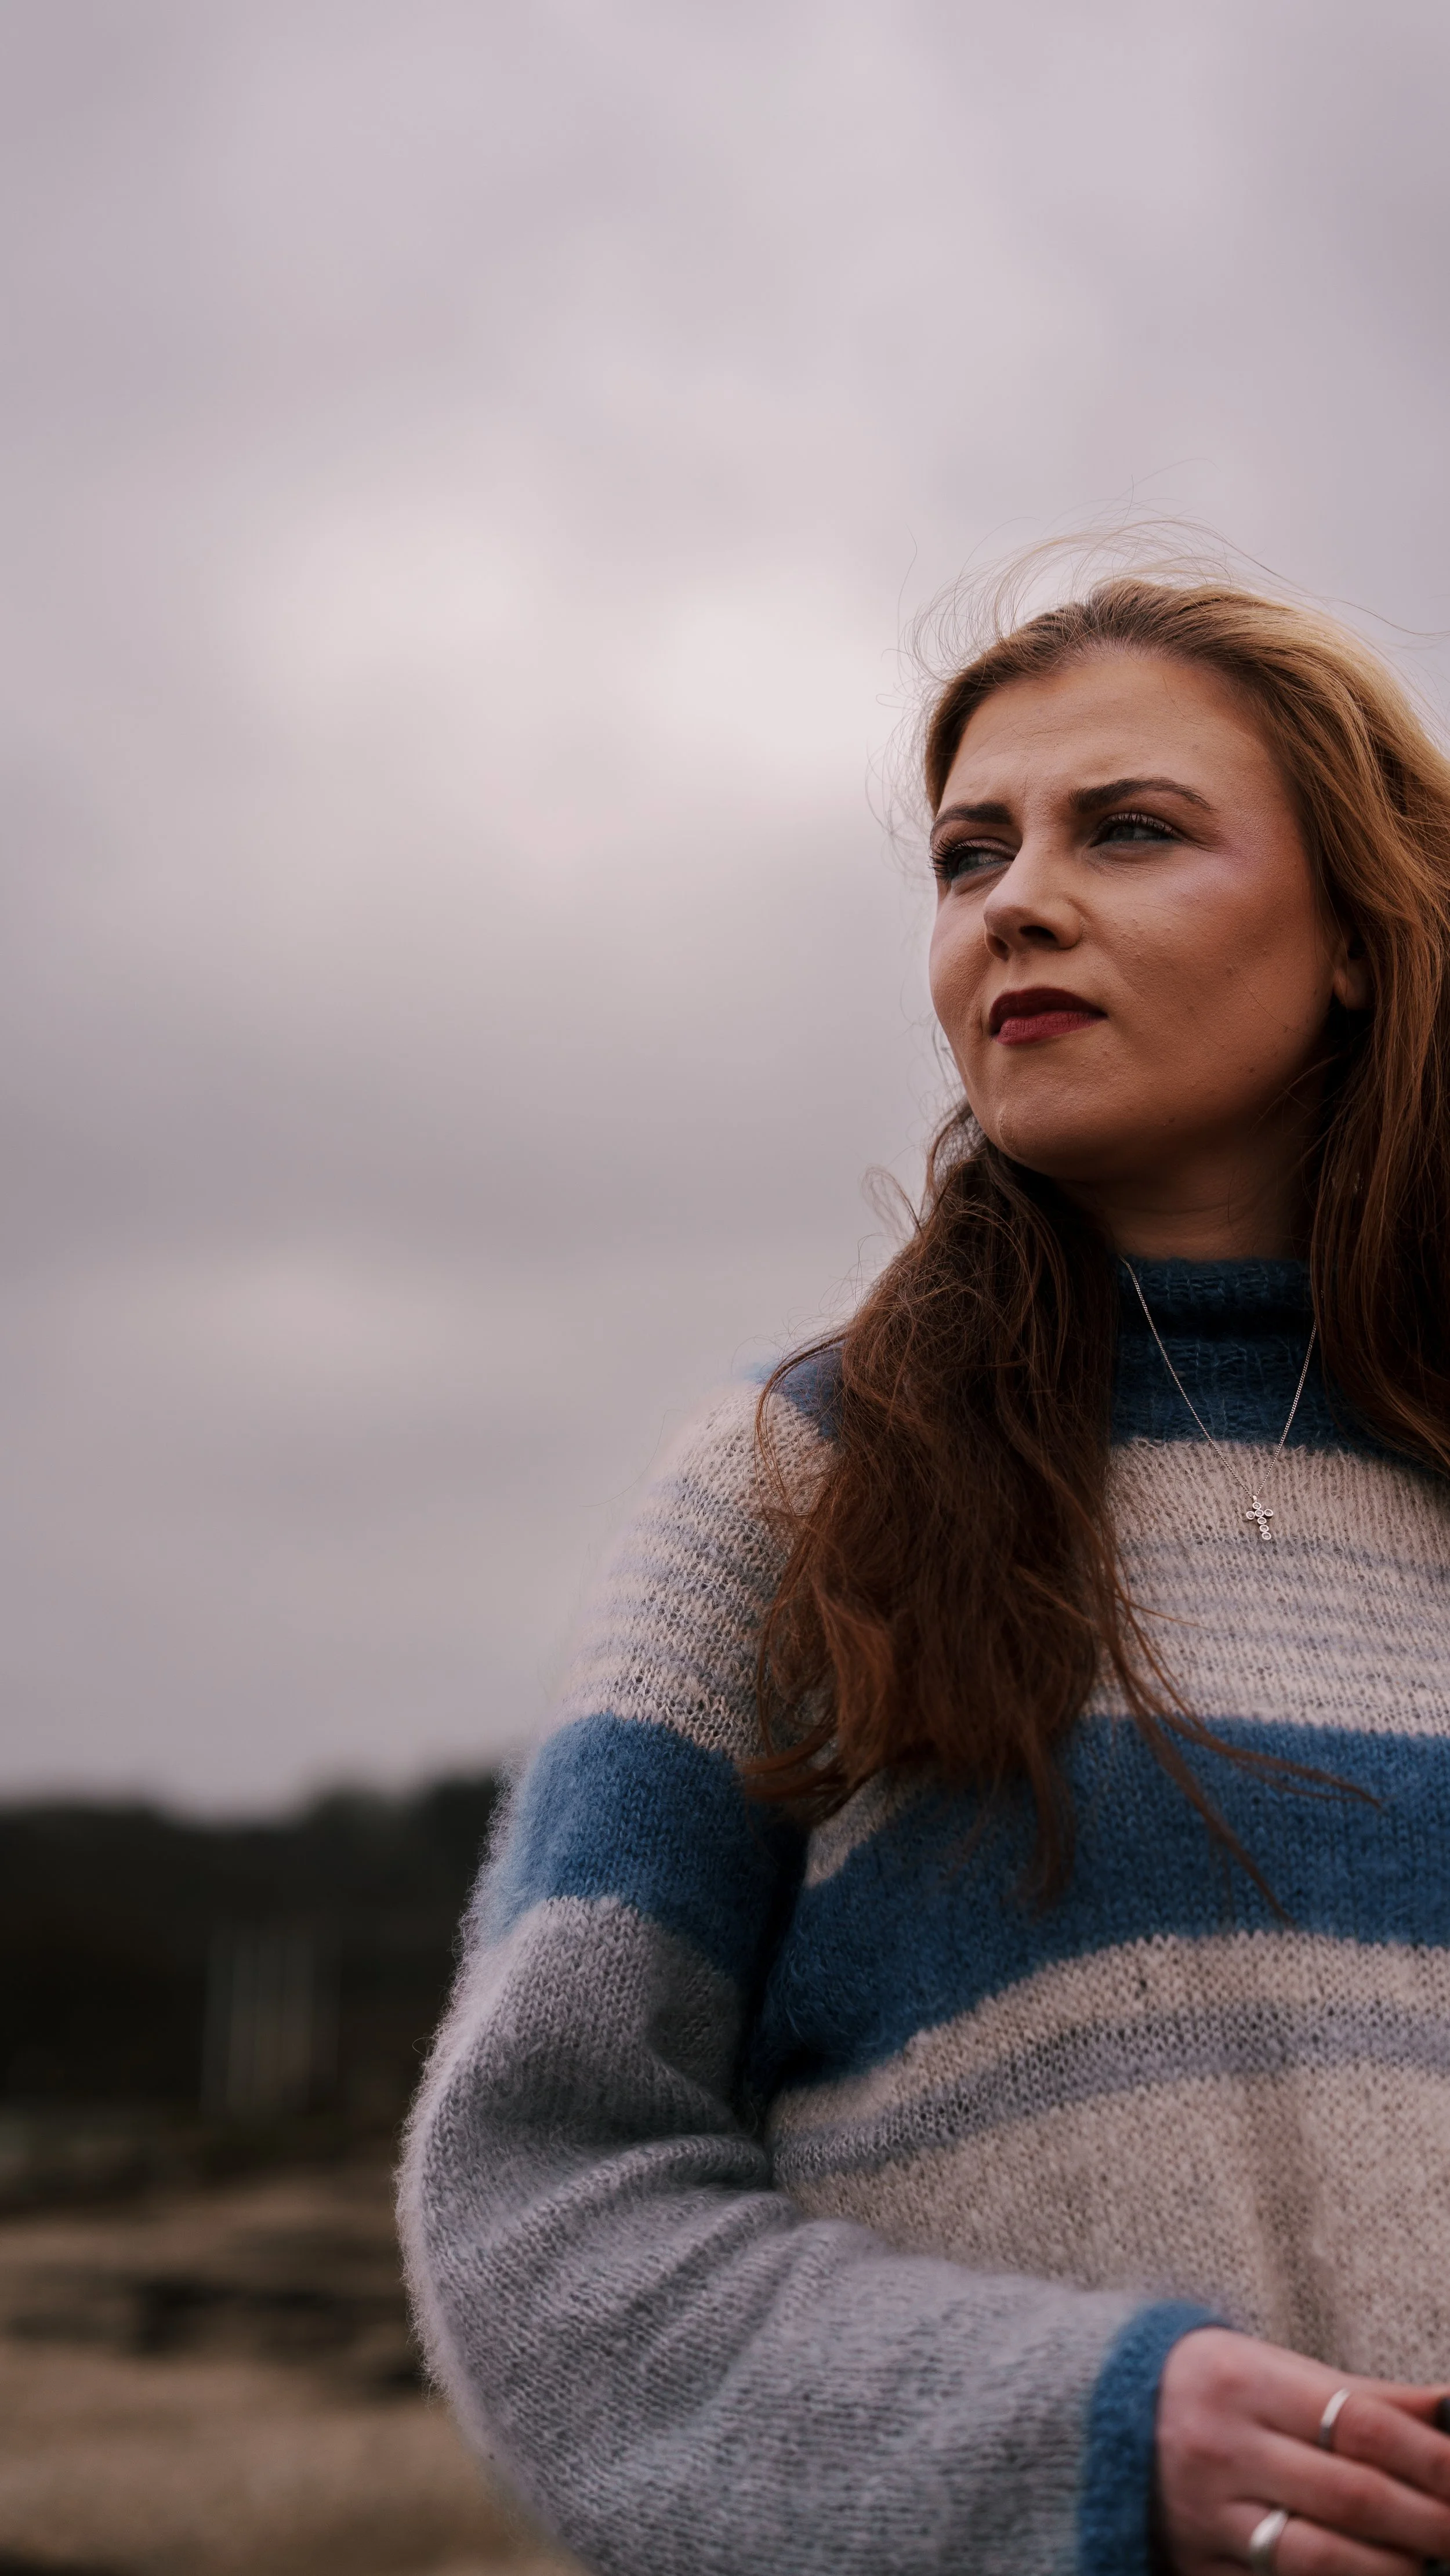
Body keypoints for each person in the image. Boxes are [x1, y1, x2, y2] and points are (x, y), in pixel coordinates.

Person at [400, 572, 1450, 2576]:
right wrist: (1075, 2435)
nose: (1012, 903)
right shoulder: (808, 1486)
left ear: (1355, 932)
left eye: (1125, 829)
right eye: (972, 854)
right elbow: (538, 2208)